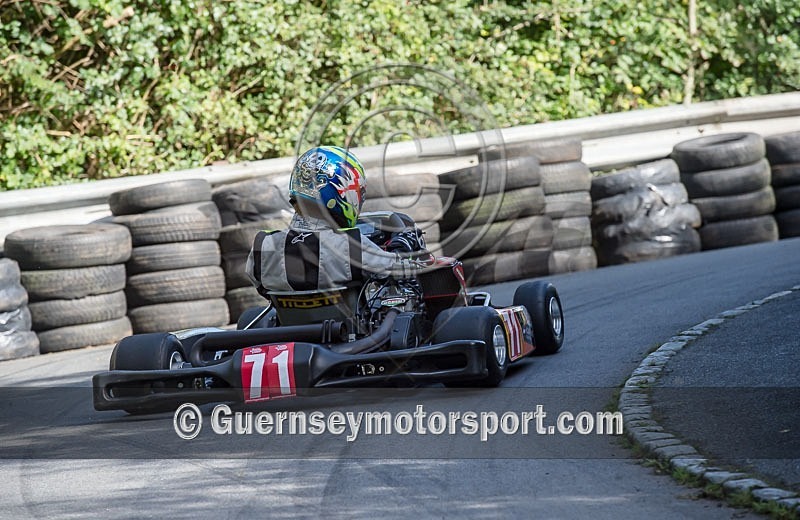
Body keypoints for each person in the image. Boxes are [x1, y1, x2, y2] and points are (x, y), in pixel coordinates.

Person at [246, 146, 426, 297]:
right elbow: (401, 270)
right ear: (343, 191)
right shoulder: (350, 245)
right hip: (347, 335)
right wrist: (403, 246)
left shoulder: (263, 245)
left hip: (289, 331)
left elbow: (262, 288)